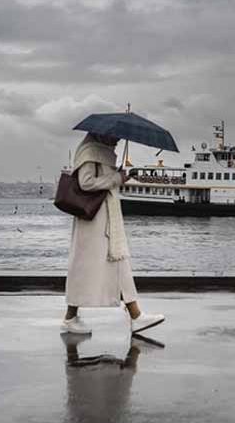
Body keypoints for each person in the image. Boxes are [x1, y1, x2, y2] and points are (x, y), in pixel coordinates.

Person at [61, 133, 165, 335]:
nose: (117, 140)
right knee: (86, 266)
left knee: (115, 262)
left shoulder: (100, 153)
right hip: (95, 219)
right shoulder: (90, 153)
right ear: (102, 134)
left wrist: (117, 176)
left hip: (104, 217)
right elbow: (86, 182)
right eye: (114, 136)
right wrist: (116, 178)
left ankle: (134, 315)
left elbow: (100, 181)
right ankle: (71, 317)